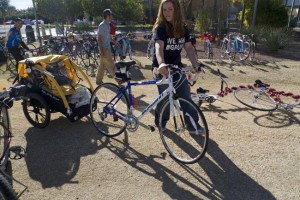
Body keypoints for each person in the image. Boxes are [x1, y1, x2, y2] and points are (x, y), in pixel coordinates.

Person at [152, 0, 204, 133]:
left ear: (176, 10)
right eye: (164, 10)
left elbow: (189, 48)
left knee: (185, 96)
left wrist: (195, 64)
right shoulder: (161, 28)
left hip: (176, 67)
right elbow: (159, 46)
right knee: (165, 98)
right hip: (161, 68)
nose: (167, 12)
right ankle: (160, 121)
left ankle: (192, 125)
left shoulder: (183, 28)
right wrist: (161, 64)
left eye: (170, 9)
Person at [96, 9, 121, 85]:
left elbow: (109, 37)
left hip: (106, 48)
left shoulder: (108, 25)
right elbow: (99, 39)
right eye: (111, 15)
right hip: (104, 49)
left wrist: (116, 43)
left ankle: (98, 81)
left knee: (102, 65)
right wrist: (100, 50)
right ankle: (119, 81)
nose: (112, 17)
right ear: (107, 16)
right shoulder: (102, 25)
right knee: (111, 66)